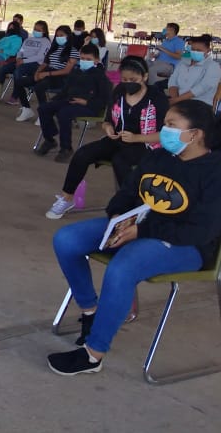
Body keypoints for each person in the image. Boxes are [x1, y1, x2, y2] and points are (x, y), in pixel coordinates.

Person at [47, 100, 221, 376]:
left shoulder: (214, 170)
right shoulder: (158, 157)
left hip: (188, 246)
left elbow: (202, 230)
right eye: (165, 124)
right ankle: (91, 313)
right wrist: (121, 216)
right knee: (67, 239)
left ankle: (93, 355)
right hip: (139, 227)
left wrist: (142, 231)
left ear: (195, 134)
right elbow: (127, 193)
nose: (164, 131)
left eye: (172, 125)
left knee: (124, 266)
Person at [45, 56, 168, 219]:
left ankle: (132, 208)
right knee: (83, 154)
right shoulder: (119, 92)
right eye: (124, 79)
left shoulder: (157, 98)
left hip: (144, 144)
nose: (128, 83)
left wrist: (136, 138)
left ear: (145, 77)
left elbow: (164, 134)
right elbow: (108, 120)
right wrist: (108, 127)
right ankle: (66, 198)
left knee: (120, 161)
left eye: (133, 79)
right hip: (117, 139)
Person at [36, 43, 113, 163]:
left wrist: (86, 102)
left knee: (64, 113)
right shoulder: (76, 71)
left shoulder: (100, 76)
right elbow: (65, 90)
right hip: (70, 101)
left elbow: (105, 99)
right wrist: (55, 100)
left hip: (90, 106)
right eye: (82, 58)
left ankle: (66, 148)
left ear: (96, 60)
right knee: (44, 108)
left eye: (88, 59)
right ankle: (50, 140)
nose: (84, 61)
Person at [15, 25, 78, 122]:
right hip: (46, 72)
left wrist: (46, 74)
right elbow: (45, 63)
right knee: (19, 82)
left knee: (39, 87)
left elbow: (66, 70)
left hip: (60, 77)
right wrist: (37, 72)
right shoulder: (53, 48)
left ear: (68, 36)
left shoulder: (73, 51)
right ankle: (26, 108)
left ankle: (44, 113)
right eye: (57, 36)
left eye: (61, 35)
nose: (59, 38)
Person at [2, 19, 51, 107]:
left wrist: (23, 61)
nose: (36, 31)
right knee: (3, 69)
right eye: (35, 29)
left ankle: (15, 96)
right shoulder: (28, 39)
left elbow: (40, 56)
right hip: (21, 60)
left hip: (35, 63)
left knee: (18, 72)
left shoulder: (46, 42)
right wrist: (18, 58)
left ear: (44, 31)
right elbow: (21, 50)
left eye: (39, 30)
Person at [167, 33, 220, 106]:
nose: (195, 52)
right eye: (193, 49)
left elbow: (202, 88)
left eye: (199, 50)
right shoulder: (183, 62)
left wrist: (177, 100)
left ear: (208, 50)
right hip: (178, 100)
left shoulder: (213, 66)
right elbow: (173, 80)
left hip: (200, 104)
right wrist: (175, 99)